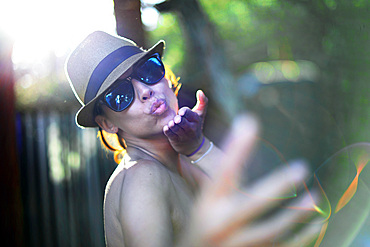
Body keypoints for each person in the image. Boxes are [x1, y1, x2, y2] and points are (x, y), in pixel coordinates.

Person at [65, 31, 322, 247]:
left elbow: (249, 205)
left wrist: (198, 147)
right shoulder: (141, 177)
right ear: (107, 123)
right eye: (119, 95)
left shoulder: (182, 161)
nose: (144, 90)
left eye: (148, 70)